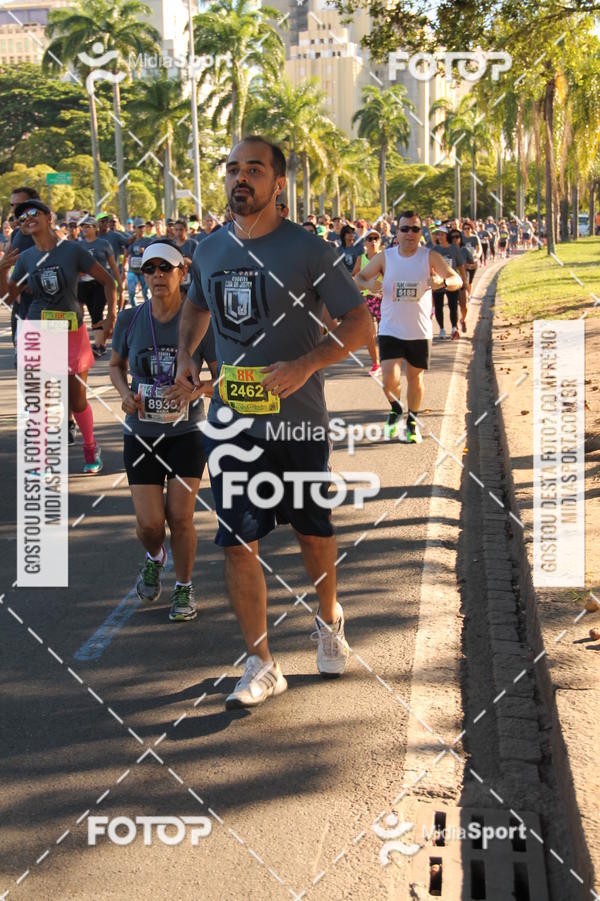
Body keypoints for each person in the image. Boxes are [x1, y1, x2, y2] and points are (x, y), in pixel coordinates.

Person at [175, 135, 371, 709]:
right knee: (238, 542)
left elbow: (360, 325)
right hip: (233, 422)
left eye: (254, 170)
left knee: (313, 533)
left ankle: (329, 618)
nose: (241, 178)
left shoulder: (309, 249)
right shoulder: (210, 249)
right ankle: (261, 662)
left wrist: (306, 363)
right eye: (233, 168)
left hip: (299, 422)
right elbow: (195, 305)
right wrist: (189, 354)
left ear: (277, 183)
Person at [109, 240, 217, 622]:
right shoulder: (130, 319)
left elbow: (221, 378)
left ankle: (184, 587)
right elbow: (116, 365)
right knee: (150, 524)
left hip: (187, 432)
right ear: (143, 276)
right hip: (140, 431)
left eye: (165, 268)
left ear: (181, 273)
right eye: (149, 269)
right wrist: (124, 394)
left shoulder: (202, 320)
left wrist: (197, 389)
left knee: (180, 517)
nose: (157, 275)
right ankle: (155, 556)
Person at [0, 199, 116, 473]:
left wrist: (110, 317)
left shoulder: (72, 251)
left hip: (70, 331)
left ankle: (90, 448)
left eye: (33, 212)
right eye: (22, 216)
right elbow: (8, 297)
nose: (27, 218)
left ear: (49, 217)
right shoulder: (26, 258)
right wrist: (3, 268)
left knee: (76, 401)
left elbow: (108, 280)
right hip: (38, 330)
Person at [355, 211, 462, 443]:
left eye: (415, 229)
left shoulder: (429, 257)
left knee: (415, 378)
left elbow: (457, 280)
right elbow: (359, 278)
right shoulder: (386, 257)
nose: (410, 234)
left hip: (419, 330)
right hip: (390, 329)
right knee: (388, 380)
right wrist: (370, 285)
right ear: (397, 232)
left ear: (420, 232)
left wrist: (442, 282)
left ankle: (412, 421)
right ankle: (395, 407)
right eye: (405, 229)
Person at [77, 216, 122, 355]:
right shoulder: (79, 245)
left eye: (88, 226)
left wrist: (119, 283)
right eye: (83, 227)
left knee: (97, 312)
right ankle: (91, 344)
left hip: (99, 284)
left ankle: (99, 345)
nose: (84, 229)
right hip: (82, 284)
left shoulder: (103, 244)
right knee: (84, 314)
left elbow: (113, 265)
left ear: (95, 228)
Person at [352, 229, 382, 376]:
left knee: (385, 332)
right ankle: (376, 364)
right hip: (366, 298)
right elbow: (353, 277)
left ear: (380, 241)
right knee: (370, 333)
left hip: (383, 298)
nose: (373, 241)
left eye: (376, 238)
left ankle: (388, 359)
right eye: (369, 239)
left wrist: (381, 289)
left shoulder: (384, 258)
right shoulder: (360, 259)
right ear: (365, 242)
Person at [432, 226, 465, 339]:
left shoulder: (454, 248)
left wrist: (464, 280)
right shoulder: (435, 250)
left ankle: (454, 328)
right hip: (438, 282)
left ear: (447, 236)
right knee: (439, 306)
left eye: (441, 234)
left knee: (453, 306)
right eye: (438, 234)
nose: (439, 236)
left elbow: (460, 265)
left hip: (452, 281)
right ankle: (441, 328)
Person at [125, 219, 151, 307]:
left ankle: (147, 310)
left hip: (144, 271)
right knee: (131, 293)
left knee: (145, 293)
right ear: (135, 229)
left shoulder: (148, 240)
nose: (141, 229)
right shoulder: (131, 240)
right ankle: (135, 309)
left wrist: (145, 251)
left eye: (143, 227)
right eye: (139, 227)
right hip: (132, 270)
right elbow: (126, 254)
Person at [173, 219, 198, 296]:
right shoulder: (172, 245)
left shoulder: (193, 244)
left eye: (181, 230)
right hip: (176, 281)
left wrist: (189, 262)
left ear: (186, 230)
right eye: (176, 230)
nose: (178, 232)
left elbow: (201, 263)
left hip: (192, 283)